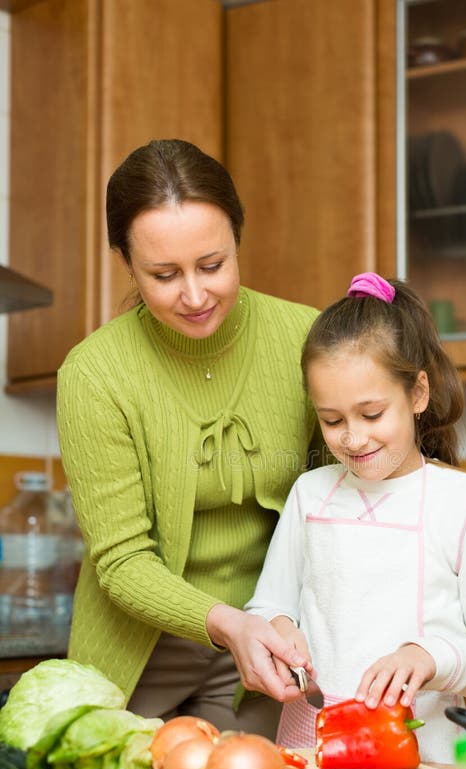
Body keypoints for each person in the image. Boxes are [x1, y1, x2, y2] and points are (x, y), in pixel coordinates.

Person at [56, 138, 323, 738]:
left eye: (212, 265)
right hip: (138, 649)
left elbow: (342, 504)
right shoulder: (95, 374)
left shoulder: (303, 338)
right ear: (125, 261)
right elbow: (122, 562)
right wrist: (224, 622)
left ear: (238, 239)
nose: (196, 296)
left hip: (263, 647)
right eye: (164, 274)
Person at [245, 272, 466, 763]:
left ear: (417, 394)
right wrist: (278, 626)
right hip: (311, 750)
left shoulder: (465, 503)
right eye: (332, 420)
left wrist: (430, 657)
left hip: (424, 756)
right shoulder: (309, 494)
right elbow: (265, 607)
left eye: (372, 414)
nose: (353, 439)